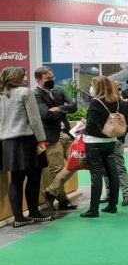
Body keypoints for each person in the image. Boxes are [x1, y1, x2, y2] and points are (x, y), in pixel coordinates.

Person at [0, 67, 54, 227]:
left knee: (16, 180)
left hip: (7, 143)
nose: (25, 78)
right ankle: (34, 212)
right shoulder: (25, 92)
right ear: (17, 77)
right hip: (27, 141)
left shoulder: (1, 94)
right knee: (34, 178)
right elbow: (34, 119)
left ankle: (18, 218)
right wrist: (42, 140)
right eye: (23, 75)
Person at [80, 76, 128, 218]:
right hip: (111, 141)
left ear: (97, 87)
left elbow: (90, 125)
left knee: (96, 174)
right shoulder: (117, 101)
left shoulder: (96, 102)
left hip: (94, 142)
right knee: (112, 173)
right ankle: (112, 205)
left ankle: (93, 209)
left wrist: (83, 127)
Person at [34, 66, 78, 211]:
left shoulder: (58, 90)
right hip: (51, 136)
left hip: (66, 133)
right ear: (39, 80)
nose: (52, 80)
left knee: (77, 161)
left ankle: (51, 191)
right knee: (56, 169)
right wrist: (62, 109)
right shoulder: (36, 94)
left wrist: (58, 109)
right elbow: (45, 114)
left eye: (52, 77)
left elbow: (74, 106)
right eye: (48, 78)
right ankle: (63, 200)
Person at [108, 80, 128, 206]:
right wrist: (121, 136)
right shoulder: (123, 104)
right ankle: (126, 195)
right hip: (118, 139)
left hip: (108, 140)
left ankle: (110, 194)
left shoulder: (104, 103)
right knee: (120, 167)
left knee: (107, 168)